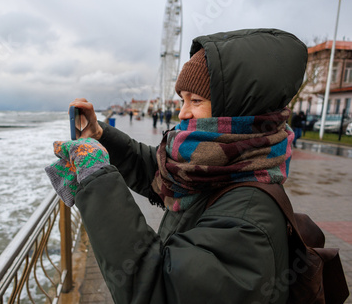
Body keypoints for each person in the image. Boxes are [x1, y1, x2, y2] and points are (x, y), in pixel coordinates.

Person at [45, 29, 307, 304]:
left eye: (196, 100)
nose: (182, 112)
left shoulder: (247, 219)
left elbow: (159, 289)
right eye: (182, 99)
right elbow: (156, 171)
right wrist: (101, 136)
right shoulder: (221, 167)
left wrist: (96, 178)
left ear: (237, 109)